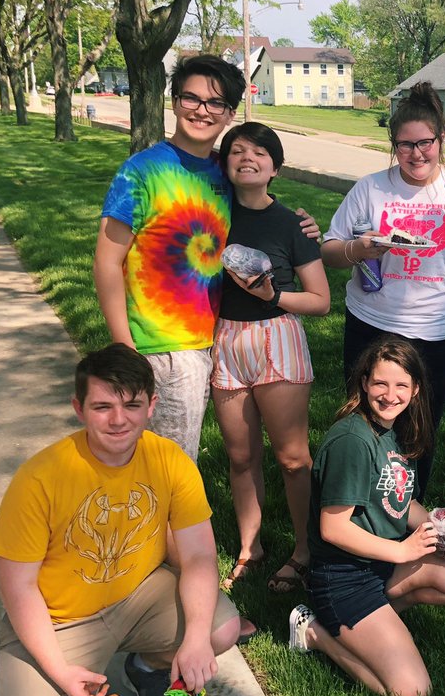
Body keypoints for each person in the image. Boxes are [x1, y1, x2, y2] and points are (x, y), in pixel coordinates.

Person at [0, 344, 242, 696]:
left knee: (220, 628)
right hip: (58, 623)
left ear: (152, 405)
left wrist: (194, 636)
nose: (119, 420)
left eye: (132, 404)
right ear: (79, 408)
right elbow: (18, 588)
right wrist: (60, 671)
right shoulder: (38, 478)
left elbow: (198, 556)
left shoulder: (170, 460)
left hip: (138, 596)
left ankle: (147, 669)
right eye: (103, 406)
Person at [94, 55, 318, 459]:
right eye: (191, 98)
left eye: (215, 103)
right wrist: (123, 346)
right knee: (170, 468)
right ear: (174, 101)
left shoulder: (222, 171)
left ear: (230, 113)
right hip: (159, 346)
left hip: (209, 341)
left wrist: (303, 226)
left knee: (162, 466)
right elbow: (108, 260)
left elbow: (260, 209)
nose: (201, 110)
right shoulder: (141, 171)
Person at [287, 337, 445, 696]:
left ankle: (374, 622)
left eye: (401, 385)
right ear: (364, 383)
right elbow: (333, 528)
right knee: (412, 693)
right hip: (343, 577)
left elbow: (400, 499)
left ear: (415, 389)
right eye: (380, 383)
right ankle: (316, 630)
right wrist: (403, 552)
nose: (390, 394)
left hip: (381, 565)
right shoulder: (352, 440)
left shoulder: (395, 430)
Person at [321, 81, 445, 496]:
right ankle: (356, 508)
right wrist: (358, 248)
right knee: (366, 420)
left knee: (421, 425)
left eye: (425, 143)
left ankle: (406, 509)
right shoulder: (371, 188)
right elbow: (329, 252)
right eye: (405, 145)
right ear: (393, 143)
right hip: (373, 325)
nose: (416, 154)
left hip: (440, 331)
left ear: (442, 139)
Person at [210, 122, 331, 595]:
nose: (247, 158)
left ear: (275, 168)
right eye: (236, 151)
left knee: (293, 458)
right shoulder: (212, 217)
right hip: (226, 340)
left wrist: (271, 293)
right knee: (241, 456)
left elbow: (320, 299)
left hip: (277, 339)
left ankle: (304, 551)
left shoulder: (290, 224)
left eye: (259, 152)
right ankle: (250, 548)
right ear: (225, 165)